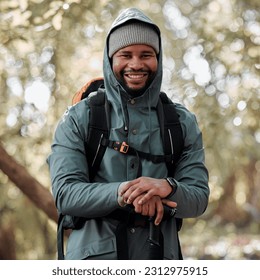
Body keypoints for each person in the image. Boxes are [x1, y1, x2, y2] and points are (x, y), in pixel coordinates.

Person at [47, 7, 209, 260]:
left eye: (146, 54)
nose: (136, 64)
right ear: (111, 59)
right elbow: (66, 194)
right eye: (125, 54)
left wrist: (166, 187)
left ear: (158, 58)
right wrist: (126, 193)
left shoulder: (181, 122)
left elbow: (198, 198)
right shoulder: (79, 118)